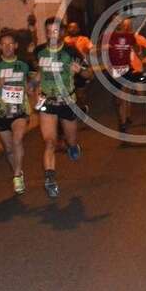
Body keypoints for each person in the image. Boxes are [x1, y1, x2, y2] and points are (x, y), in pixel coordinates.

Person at [33, 17, 93, 198]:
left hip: (67, 102)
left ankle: (73, 146)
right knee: (49, 142)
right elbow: (38, 74)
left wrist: (80, 71)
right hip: (48, 102)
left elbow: (89, 74)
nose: (51, 35)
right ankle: (50, 179)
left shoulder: (71, 51)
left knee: (71, 141)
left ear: (62, 33)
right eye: (48, 31)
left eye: (55, 31)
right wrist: (33, 85)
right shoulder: (39, 51)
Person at [0, 33, 33, 195]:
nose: (8, 47)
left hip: (20, 111)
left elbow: (35, 78)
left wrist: (31, 87)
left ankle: (16, 176)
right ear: (0, 47)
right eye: (4, 44)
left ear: (16, 46)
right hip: (1, 113)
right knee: (9, 149)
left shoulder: (24, 63)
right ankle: (18, 172)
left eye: (11, 44)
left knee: (17, 140)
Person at [103, 16, 141, 134]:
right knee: (118, 100)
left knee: (123, 96)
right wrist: (103, 48)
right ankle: (123, 118)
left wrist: (137, 53)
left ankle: (123, 123)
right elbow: (97, 50)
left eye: (119, 22)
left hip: (126, 69)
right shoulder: (107, 36)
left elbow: (137, 48)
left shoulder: (129, 36)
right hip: (113, 71)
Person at [64, 21, 94, 114]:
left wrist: (90, 67)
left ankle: (82, 106)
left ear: (78, 29)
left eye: (74, 27)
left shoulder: (84, 39)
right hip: (68, 69)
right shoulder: (64, 40)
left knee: (80, 93)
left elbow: (92, 51)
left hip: (81, 68)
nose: (72, 29)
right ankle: (74, 111)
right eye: (70, 27)